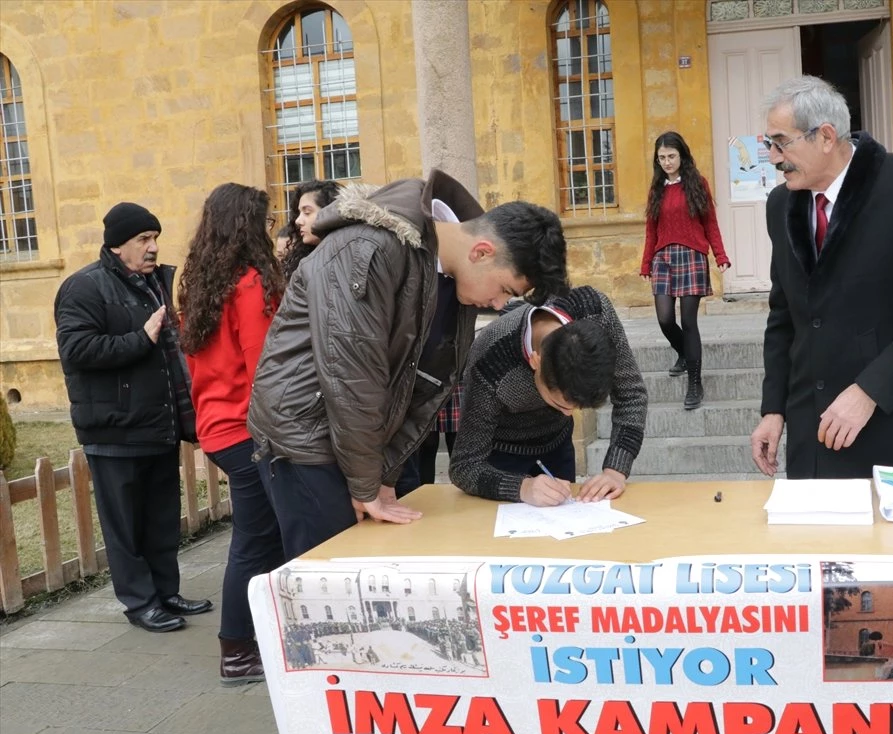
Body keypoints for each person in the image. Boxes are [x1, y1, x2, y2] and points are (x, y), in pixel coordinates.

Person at [248, 170, 569, 558]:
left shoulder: (453, 280)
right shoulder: (370, 248)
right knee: (327, 576)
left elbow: (425, 391)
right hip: (304, 437)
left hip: (351, 443)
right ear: (481, 252)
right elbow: (353, 376)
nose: (501, 306)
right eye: (505, 290)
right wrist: (368, 484)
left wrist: (384, 475)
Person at [750, 75, 893, 479]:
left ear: (826, 136)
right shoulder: (780, 204)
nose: (773, 157)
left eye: (781, 143)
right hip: (812, 439)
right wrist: (774, 409)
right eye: (769, 144)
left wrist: (870, 390)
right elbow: (784, 316)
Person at [54, 202, 212, 632]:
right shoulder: (84, 287)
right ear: (117, 245)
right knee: (125, 526)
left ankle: (166, 592)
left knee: (161, 519)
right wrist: (140, 338)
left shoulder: (155, 283)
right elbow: (77, 350)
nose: (153, 247)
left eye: (155, 238)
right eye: (143, 239)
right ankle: (140, 603)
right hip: (114, 430)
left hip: (157, 424)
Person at [178, 183, 287, 685]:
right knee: (256, 538)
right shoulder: (248, 284)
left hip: (220, 427)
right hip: (249, 429)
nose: (272, 230)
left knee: (259, 536)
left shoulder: (202, 282)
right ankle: (238, 650)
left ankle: (248, 642)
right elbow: (267, 369)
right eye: (265, 222)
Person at [449, 286, 648, 507]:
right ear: (535, 362)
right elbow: (464, 466)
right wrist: (520, 487)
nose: (568, 413)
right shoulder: (489, 357)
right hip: (500, 459)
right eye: (558, 403)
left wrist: (615, 470)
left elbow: (632, 394)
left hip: (557, 445)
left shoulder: (595, 311)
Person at [640, 131, 731, 410]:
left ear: (682, 156)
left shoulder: (697, 184)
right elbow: (651, 229)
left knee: (689, 322)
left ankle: (694, 383)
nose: (667, 162)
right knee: (666, 319)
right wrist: (646, 262)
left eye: (671, 156)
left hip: (691, 255)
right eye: (662, 158)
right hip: (663, 258)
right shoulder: (656, 188)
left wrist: (720, 254)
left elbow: (710, 223)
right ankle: (683, 352)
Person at [279, 179, 341, 280]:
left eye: (307, 212)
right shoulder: (301, 263)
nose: (298, 221)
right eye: (298, 213)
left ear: (329, 211)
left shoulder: (348, 255)